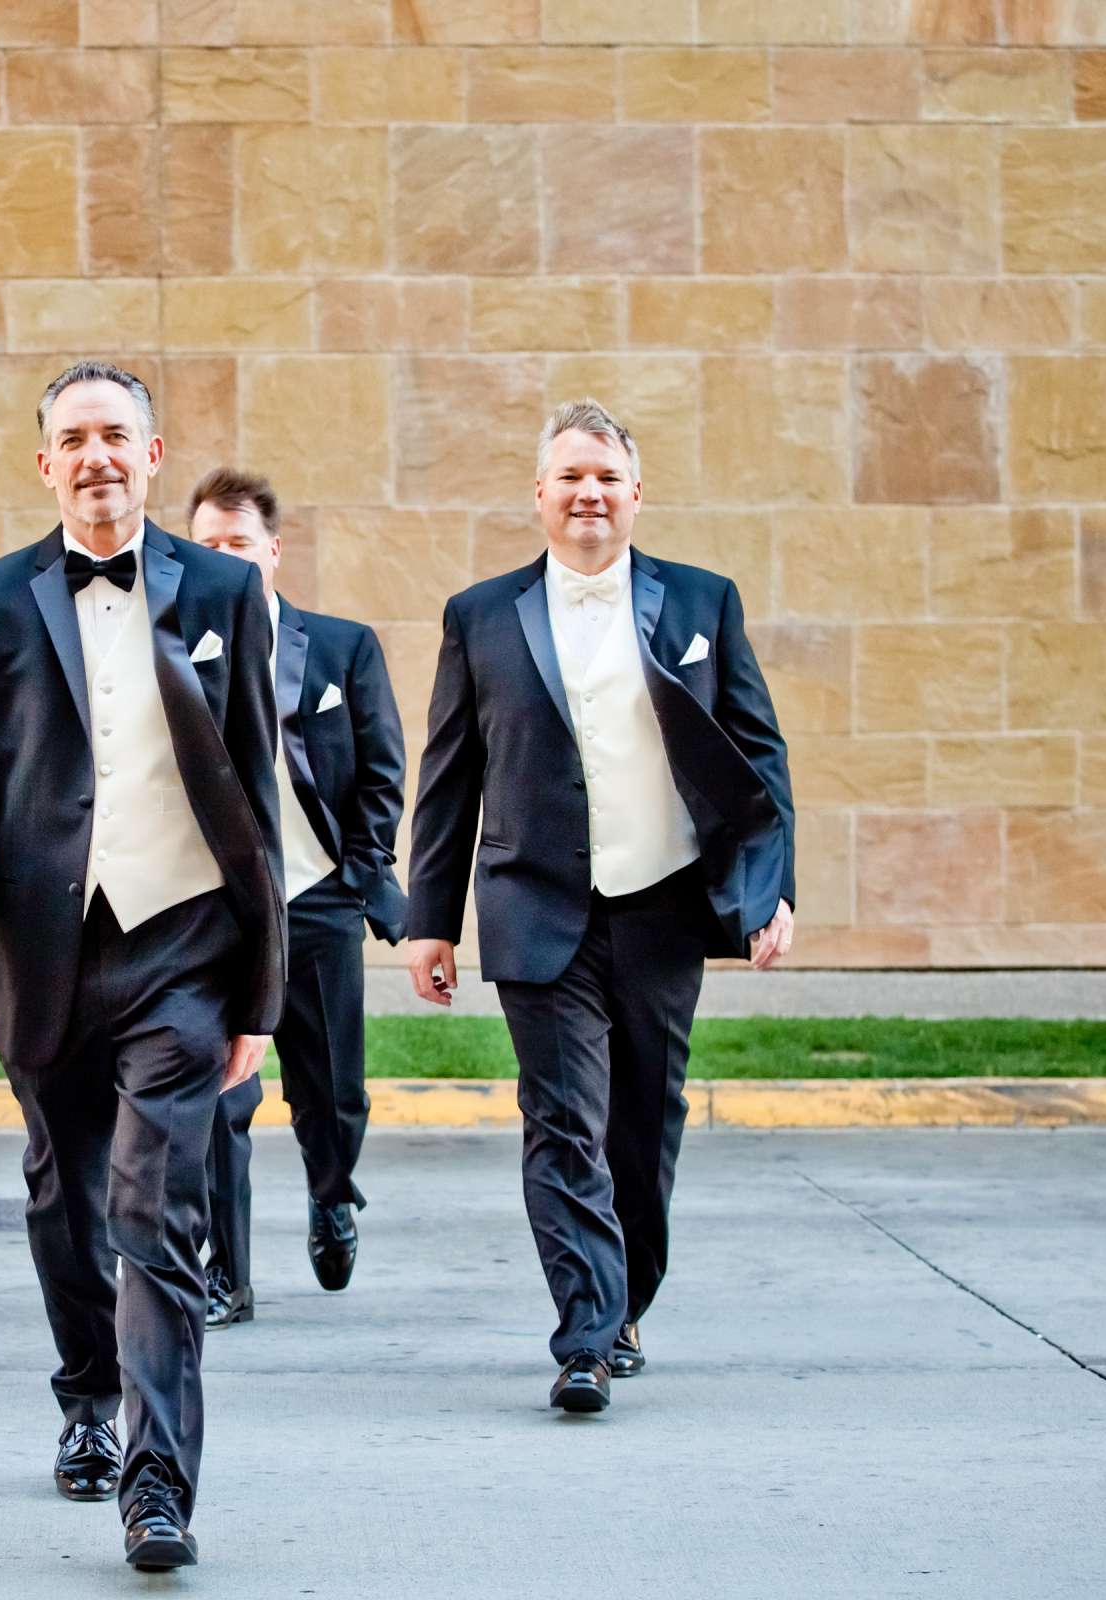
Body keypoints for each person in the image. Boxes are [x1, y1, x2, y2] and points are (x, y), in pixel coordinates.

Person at [0, 361, 283, 1571]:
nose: (97, 456)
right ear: (44, 464)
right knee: (65, 1202)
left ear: (154, 452)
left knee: (156, 1210)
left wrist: (262, 995)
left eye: (115, 434)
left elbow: (256, 798)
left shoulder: (226, 589)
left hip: (184, 954)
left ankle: (157, 1483)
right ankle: (86, 1391)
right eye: (73, 439)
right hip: (46, 953)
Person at [402, 398, 795, 1414]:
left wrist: (769, 887)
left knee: (642, 1122)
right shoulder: (480, 615)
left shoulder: (704, 603)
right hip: (537, 907)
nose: (589, 494)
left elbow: (758, 757)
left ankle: (627, 1305)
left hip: (662, 903)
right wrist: (429, 918)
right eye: (570, 476)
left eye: (607, 477)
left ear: (634, 495)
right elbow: (449, 777)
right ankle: (583, 1332)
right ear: (539, 495)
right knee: (564, 1119)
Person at [186, 469, 406, 1329]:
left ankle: (332, 1191)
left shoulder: (341, 649)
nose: (224, 559)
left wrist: (360, 872)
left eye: (238, 543)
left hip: (317, 903)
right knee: (214, 1101)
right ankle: (225, 1276)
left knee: (332, 1093)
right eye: (206, 546)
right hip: (212, 910)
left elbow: (381, 772)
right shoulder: (169, 649)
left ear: (272, 553)